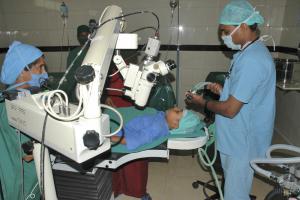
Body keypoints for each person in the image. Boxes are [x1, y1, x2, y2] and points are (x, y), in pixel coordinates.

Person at [185, 1, 276, 200]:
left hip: (242, 142)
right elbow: (246, 93)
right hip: (236, 136)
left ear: (243, 26)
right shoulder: (247, 53)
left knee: (236, 194)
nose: (223, 37)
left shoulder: (253, 60)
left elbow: (230, 110)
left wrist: (203, 103)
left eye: (226, 31)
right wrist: (223, 90)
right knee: (232, 188)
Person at [0, 41, 48, 199]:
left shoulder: (25, 98)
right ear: (22, 71)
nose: (45, 73)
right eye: (40, 68)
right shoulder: (14, 106)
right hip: (21, 185)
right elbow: (28, 154)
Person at [110, 107, 201, 150]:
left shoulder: (158, 128)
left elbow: (137, 139)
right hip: (122, 127)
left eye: (177, 111)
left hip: (120, 135)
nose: (176, 107)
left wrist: (111, 138)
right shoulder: (163, 119)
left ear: (175, 124)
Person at [64, 24, 90, 103]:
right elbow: (69, 74)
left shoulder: (95, 50)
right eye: (82, 35)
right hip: (78, 89)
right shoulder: (74, 53)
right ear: (78, 37)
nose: (84, 38)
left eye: (86, 35)